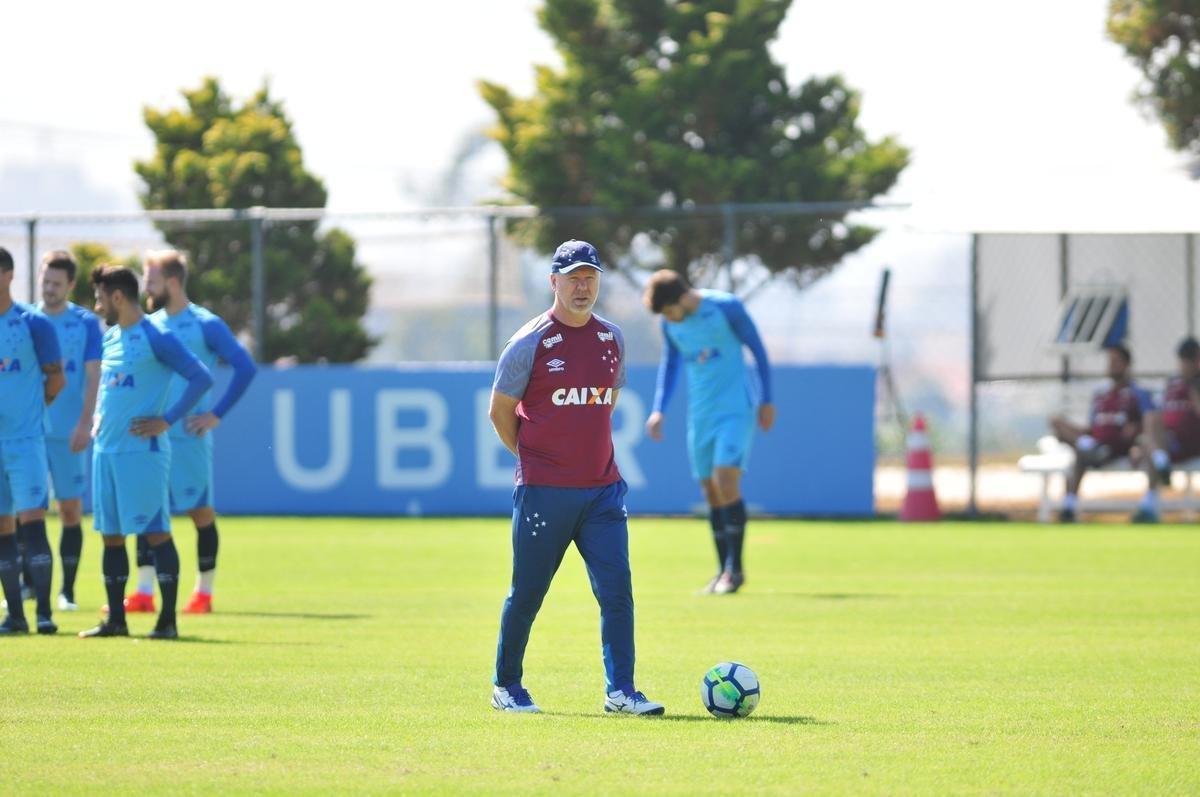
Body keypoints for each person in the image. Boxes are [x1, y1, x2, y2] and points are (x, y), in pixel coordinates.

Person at [488, 239, 664, 716]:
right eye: (572, 279)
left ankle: (621, 691)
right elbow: (500, 412)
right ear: (554, 282)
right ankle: (506, 685)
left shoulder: (612, 338)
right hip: (544, 493)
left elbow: (605, 404)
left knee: (617, 591)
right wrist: (536, 458)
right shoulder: (529, 343)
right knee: (528, 592)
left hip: (603, 492)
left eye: (590, 278)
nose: (582, 287)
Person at [78, 264, 212, 639]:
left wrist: (167, 419)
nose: (97, 306)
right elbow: (111, 389)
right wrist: (98, 420)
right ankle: (116, 622)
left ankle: (167, 622)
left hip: (142, 453)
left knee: (155, 532)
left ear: (118, 297)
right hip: (106, 451)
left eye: (100, 298)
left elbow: (201, 377)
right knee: (111, 535)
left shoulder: (156, 335)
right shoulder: (111, 337)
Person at [119, 249, 255, 615]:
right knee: (148, 511)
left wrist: (215, 414)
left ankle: (203, 595)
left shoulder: (205, 324)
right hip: (152, 435)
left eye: (151, 280)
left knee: (200, 513)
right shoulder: (150, 325)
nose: (146, 288)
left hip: (188, 438)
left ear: (173, 282)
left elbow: (245, 367)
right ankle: (143, 593)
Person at [642, 270, 774, 594]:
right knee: (710, 489)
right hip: (700, 415)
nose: (669, 318)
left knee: (725, 480)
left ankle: (735, 570)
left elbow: (758, 351)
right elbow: (670, 365)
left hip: (735, 408)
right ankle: (721, 571)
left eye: (669, 311)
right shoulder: (670, 324)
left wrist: (767, 399)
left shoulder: (727, 308)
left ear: (681, 298)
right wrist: (659, 409)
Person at [0, 246, 65, 634]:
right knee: (2, 529)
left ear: (8, 275)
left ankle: (44, 613)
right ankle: (15, 615)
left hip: (25, 442)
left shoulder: (33, 323)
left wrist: (29, 409)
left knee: (33, 525)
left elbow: (56, 379)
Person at [37, 251, 103, 611]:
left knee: (69, 510)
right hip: (29, 432)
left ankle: (68, 591)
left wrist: (84, 423)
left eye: (56, 284)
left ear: (71, 285)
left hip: (68, 432)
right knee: (23, 510)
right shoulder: (27, 319)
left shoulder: (86, 323)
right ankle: (29, 585)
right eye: (45, 281)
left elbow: (94, 376)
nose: (49, 289)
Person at [1049, 343, 1153, 523]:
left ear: (1126, 364)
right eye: (1109, 361)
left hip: (1120, 447)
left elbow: (1150, 421)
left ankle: (1088, 448)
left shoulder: (1137, 393)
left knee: (1081, 452)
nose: (1111, 365)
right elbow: (1092, 427)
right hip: (1097, 440)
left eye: (1115, 361)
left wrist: (1136, 432)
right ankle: (1069, 506)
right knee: (1056, 422)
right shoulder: (1101, 394)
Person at [1130, 336, 1200, 523]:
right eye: (1183, 361)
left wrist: (1194, 389)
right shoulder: (1173, 384)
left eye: (1189, 361)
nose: (1184, 366)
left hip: (1192, 442)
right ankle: (1160, 463)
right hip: (1170, 441)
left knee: (1149, 446)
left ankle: (1160, 465)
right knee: (1151, 422)